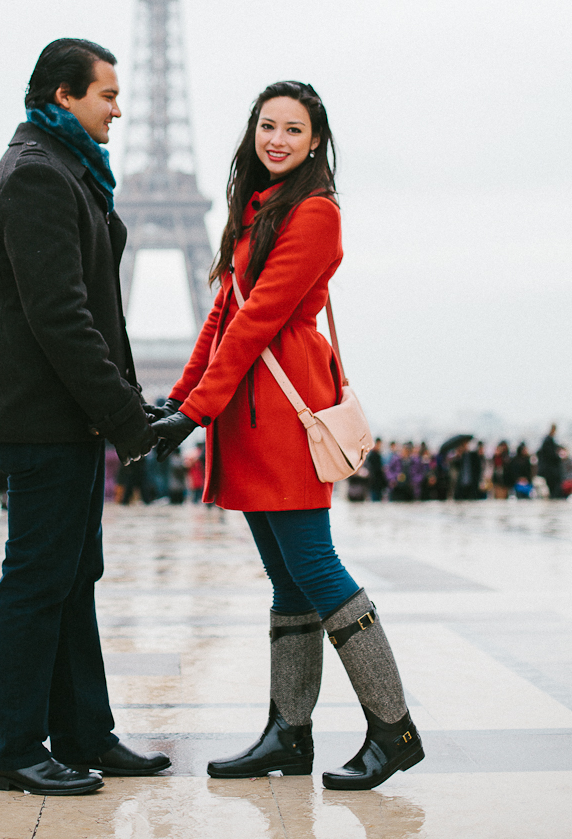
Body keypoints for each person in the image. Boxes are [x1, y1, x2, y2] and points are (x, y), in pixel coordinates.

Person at [150, 80, 423, 792]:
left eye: (293, 130)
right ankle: (288, 736)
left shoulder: (315, 212)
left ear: (315, 142)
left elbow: (260, 318)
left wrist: (196, 411)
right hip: (251, 411)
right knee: (287, 578)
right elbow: (220, 314)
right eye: (267, 126)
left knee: (317, 568)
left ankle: (392, 730)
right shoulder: (256, 210)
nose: (277, 139)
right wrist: (179, 400)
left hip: (284, 411)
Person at [0, 38, 168, 797]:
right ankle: (14, 748)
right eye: (107, 94)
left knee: (70, 577)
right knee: (36, 582)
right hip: (42, 421)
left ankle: (84, 732)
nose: (119, 108)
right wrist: (128, 413)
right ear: (65, 94)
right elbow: (62, 316)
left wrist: (122, 411)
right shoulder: (36, 176)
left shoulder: (63, 168)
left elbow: (83, 311)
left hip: (63, 419)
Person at [537, 425, 563, 499]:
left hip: (549, 469)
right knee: (553, 486)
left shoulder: (549, 440)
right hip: (550, 469)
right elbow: (550, 455)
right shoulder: (548, 441)